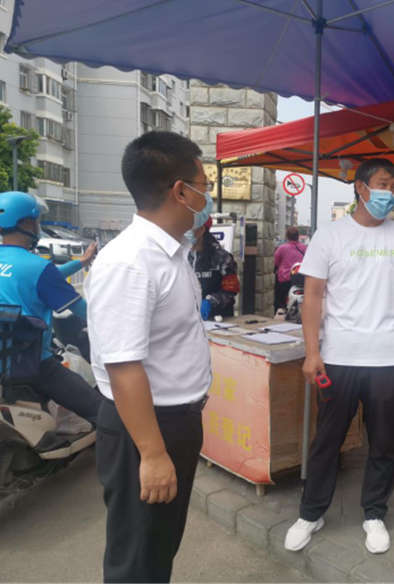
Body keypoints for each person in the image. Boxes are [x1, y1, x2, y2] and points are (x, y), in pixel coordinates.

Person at [85, 131, 213, 584]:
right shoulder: (130, 261)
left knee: (158, 548)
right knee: (137, 560)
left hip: (174, 422)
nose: (208, 196)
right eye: (204, 185)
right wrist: (153, 454)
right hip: (145, 428)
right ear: (181, 191)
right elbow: (123, 367)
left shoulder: (172, 253)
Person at [285, 158, 394, 555]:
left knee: (383, 442)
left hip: (387, 357)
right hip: (339, 356)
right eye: (383, 184)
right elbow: (312, 295)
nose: (390, 193)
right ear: (361, 188)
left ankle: (375, 514)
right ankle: (311, 513)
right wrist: (312, 352)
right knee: (327, 440)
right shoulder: (330, 235)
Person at [0, 191, 102, 426]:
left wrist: (82, 262)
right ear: (26, 223)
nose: (38, 226)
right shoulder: (37, 267)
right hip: (31, 363)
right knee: (103, 412)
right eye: (37, 220)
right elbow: (85, 313)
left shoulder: (28, 266)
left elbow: (44, 277)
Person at [188, 217, 240, 320]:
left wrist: (210, 301)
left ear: (201, 229)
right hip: (189, 318)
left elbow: (231, 289)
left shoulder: (222, 257)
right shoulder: (182, 255)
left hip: (219, 318)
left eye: (188, 227)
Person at [274, 226, 307, 312]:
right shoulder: (304, 248)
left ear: (287, 236)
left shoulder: (282, 248)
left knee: (280, 300)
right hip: (301, 279)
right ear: (298, 236)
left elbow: (275, 262)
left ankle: (281, 310)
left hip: (285, 280)